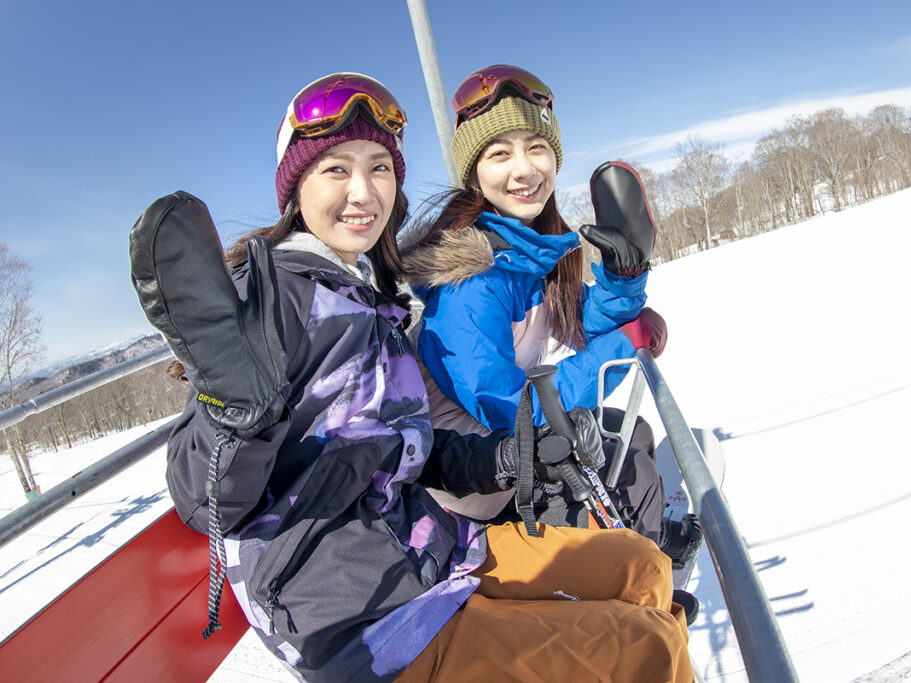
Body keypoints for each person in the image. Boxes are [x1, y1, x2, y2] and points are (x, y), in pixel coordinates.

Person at [129, 73, 693, 682]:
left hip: (433, 548)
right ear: (295, 190)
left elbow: (410, 451)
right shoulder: (271, 305)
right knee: (648, 650)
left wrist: (503, 457)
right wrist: (232, 408)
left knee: (641, 568)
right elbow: (204, 499)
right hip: (363, 618)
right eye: (335, 170)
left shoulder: (367, 300)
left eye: (379, 168)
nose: (362, 191)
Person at [403, 65, 699, 561]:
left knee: (635, 431)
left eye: (536, 147)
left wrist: (623, 280)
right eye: (499, 153)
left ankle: (644, 537)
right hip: (482, 479)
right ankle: (647, 578)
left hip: (516, 441)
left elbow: (575, 327)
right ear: (473, 172)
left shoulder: (527, 251)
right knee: (628, 468)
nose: (524, 169)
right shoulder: (468, 287)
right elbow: (512, 411)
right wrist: (626, 341)